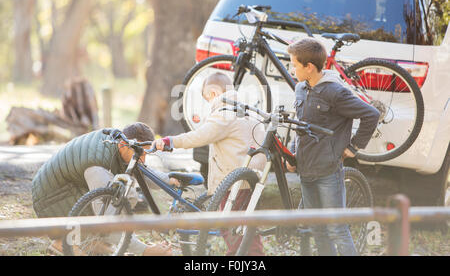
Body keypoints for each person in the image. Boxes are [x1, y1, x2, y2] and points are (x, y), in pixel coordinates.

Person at [152, 72, 267, 255]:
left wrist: (170, 142)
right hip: (251, 179)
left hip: (231, 183)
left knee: (232, 230)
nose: (208, 104)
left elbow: (199, 136)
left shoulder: (224, 113)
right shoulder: (248, 110)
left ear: (213, 93)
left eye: (207, 98)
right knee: (244, 229)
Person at [286, 38, 380, 256]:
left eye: (294, 65)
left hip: (328, 170)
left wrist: (354, 147)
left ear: (309, 67)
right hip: (306, 169)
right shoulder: (300, 88)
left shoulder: (335, 92)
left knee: (336, 228)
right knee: (317, 227)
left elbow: (371, 114)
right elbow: (299, 124)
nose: (292, 69)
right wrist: (292, 152)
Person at [31, 122, 176, 256]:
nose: (143, 159)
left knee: (122, 196)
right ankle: (64, 243)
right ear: (123, 145)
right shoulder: (97, 169)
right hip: (51, 197)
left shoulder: (119, 140)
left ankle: (91, 241)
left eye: (146, 153)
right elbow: (106, 221)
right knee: (114, 203)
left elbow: (141, 171)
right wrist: (146, 251)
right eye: (141, 153)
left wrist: (169, 179)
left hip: (62, 186)